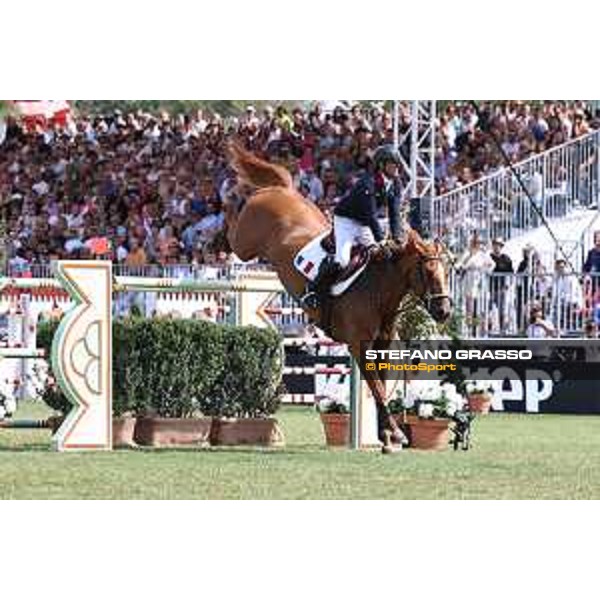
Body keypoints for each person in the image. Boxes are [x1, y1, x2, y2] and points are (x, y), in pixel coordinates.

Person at [300, 145, 403, 309]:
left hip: (363, 223)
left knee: (378, 256)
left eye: (398, 164)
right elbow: (370, 215)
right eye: (393, 163)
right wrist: (382, 239)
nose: (397, 167)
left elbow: (395, 214)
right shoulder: (367, 183)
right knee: (342, 260)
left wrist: (398, 238)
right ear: (382, 165)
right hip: (346, 221)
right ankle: (312, 291)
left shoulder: (396, 184)